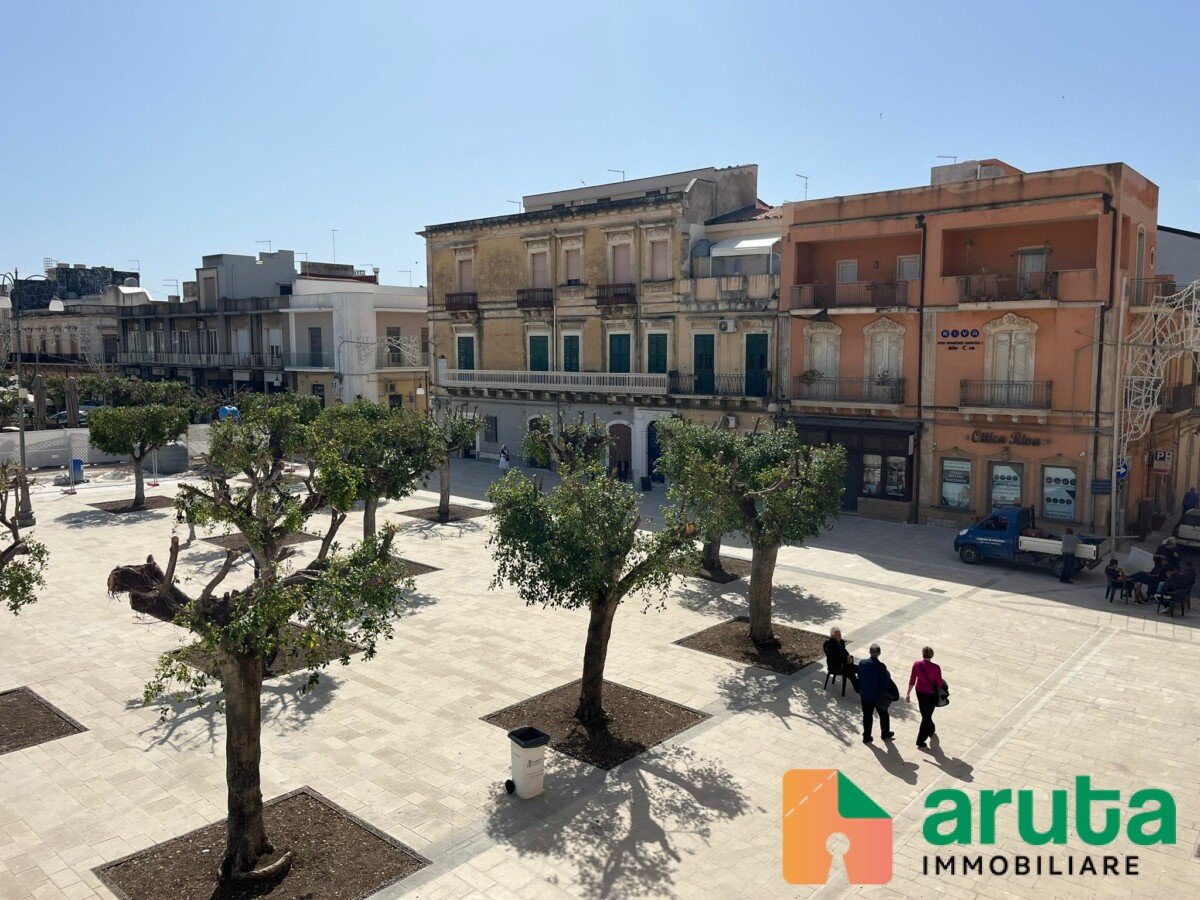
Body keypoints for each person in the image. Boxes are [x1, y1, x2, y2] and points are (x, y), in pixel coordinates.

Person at [906, 646, 946, 749]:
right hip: (931, 694)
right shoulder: (936, 668)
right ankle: (920, 740)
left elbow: (912, 680)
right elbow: (939, 683)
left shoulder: (916, 665)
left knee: (925, 714)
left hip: (920, 693)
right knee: (927, 716)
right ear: (932, 655)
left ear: (922, 654)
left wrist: (908, 693)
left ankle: (931, 730)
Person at [857, 644, 894, 745]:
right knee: (883, 714)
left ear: (869, 652)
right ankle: (885, 733)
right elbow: (886, 682)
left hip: (865, 695)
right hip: (878, 696)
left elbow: (859, 677)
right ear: (879, 653)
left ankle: (866, 736)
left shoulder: (862, 663)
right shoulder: (881, 666)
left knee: (867, 716)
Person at [822, 626, 859, 693]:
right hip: (835, 666)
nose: (840, 636)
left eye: (840, 634)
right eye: (838, 635)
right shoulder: (831, 644)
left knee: (859, 669)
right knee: (851, 673)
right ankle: (859, 690)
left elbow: (844, 651)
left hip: (843, 663)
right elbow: (835, 658)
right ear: (833, 636)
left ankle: (863, 685)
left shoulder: (841, 642)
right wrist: (846, 660)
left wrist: (848, 656)